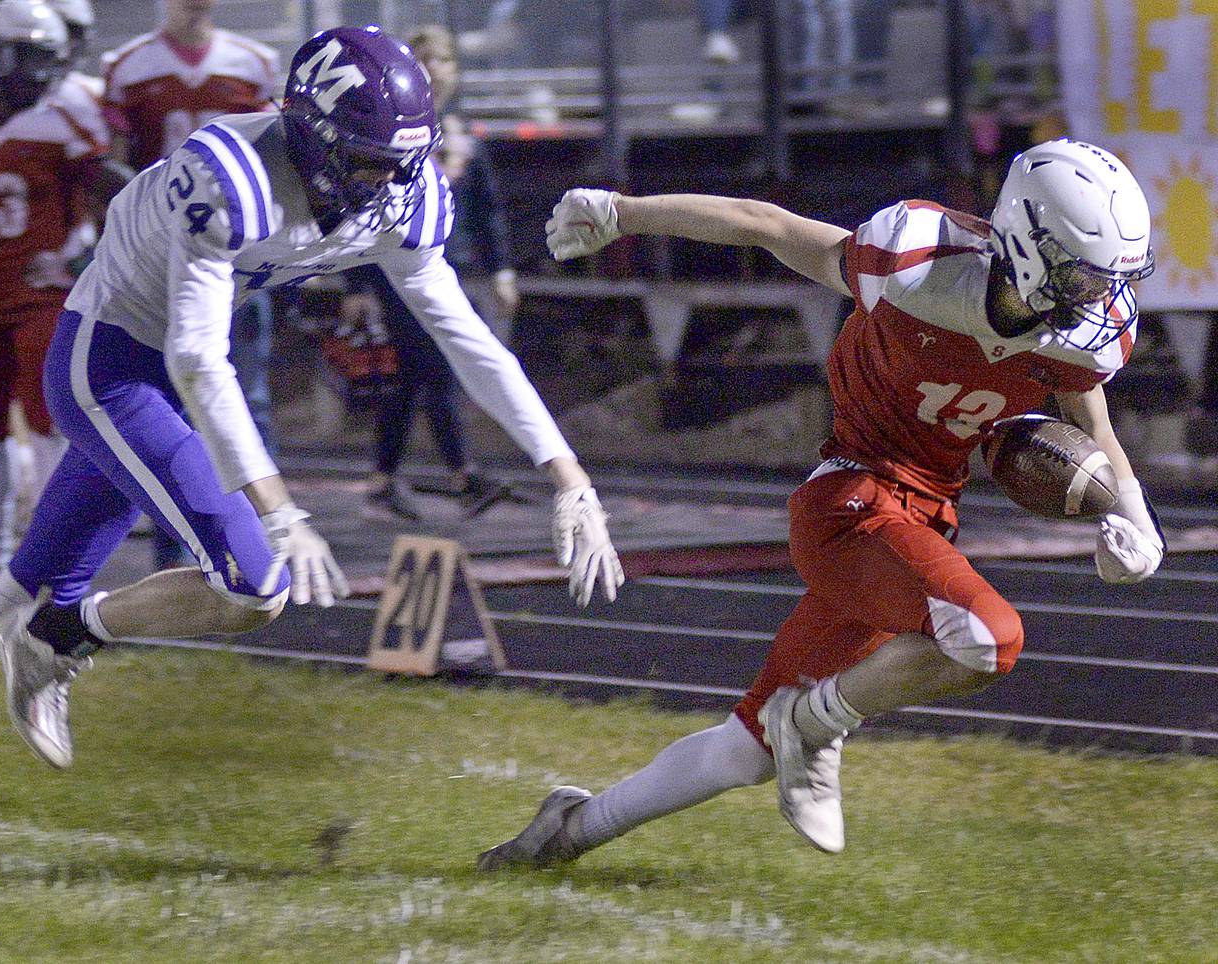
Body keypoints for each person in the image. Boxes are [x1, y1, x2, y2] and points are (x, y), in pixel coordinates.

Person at [0, 25, 625, 864]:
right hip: (110, 365)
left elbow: (467, 339)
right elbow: (193, 354)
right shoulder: (228, 174)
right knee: (256, 582)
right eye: (369, 158)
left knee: (15, 593)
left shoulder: (399, 190)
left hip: (171, 378)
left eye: (402, 158)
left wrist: (568, 477)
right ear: (311, 133)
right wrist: (279, 506)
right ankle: (63, 635)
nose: (392, 179)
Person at [478, 139, 1163, 868]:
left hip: (921, 521)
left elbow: (1094, 427)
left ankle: (567, 831)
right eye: (1083, 277)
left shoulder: (1085, 337)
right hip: (851, 500)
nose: (1100, 298)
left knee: (748, 749)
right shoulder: (917, 264)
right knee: (989, 638)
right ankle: (816, 722)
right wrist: (625, 213)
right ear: (1028, 241)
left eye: (1108, 280)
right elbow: (762, 223)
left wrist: (1134, 519)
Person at [0, 0, 128, 595]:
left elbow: (117, 194)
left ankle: (49, 553)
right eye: (22, 55)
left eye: (42, 57)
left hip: (39, 290)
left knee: (50, 417)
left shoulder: (71, 111)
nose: (32, 69)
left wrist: (79, 258)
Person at [100, 0, 282, 570]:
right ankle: (180, 547)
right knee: (168, 406)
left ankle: (263, 534)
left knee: (246, 396)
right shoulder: (128, 66)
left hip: (241, 255)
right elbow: (116, 165)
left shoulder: (253, 62)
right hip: (165, 263)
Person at [350, 25, 519, 520]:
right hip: (397, 265)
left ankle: (393, 479)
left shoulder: (464, 136)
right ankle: (461, 476)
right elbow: (358, 204)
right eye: (420, 59)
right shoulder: (386, 126)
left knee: (419, 369)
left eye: (441, 59)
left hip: (453, 264)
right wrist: (357, 283)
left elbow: (486, 209)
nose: (432, 69)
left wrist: (501, 268)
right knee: (435, 363)